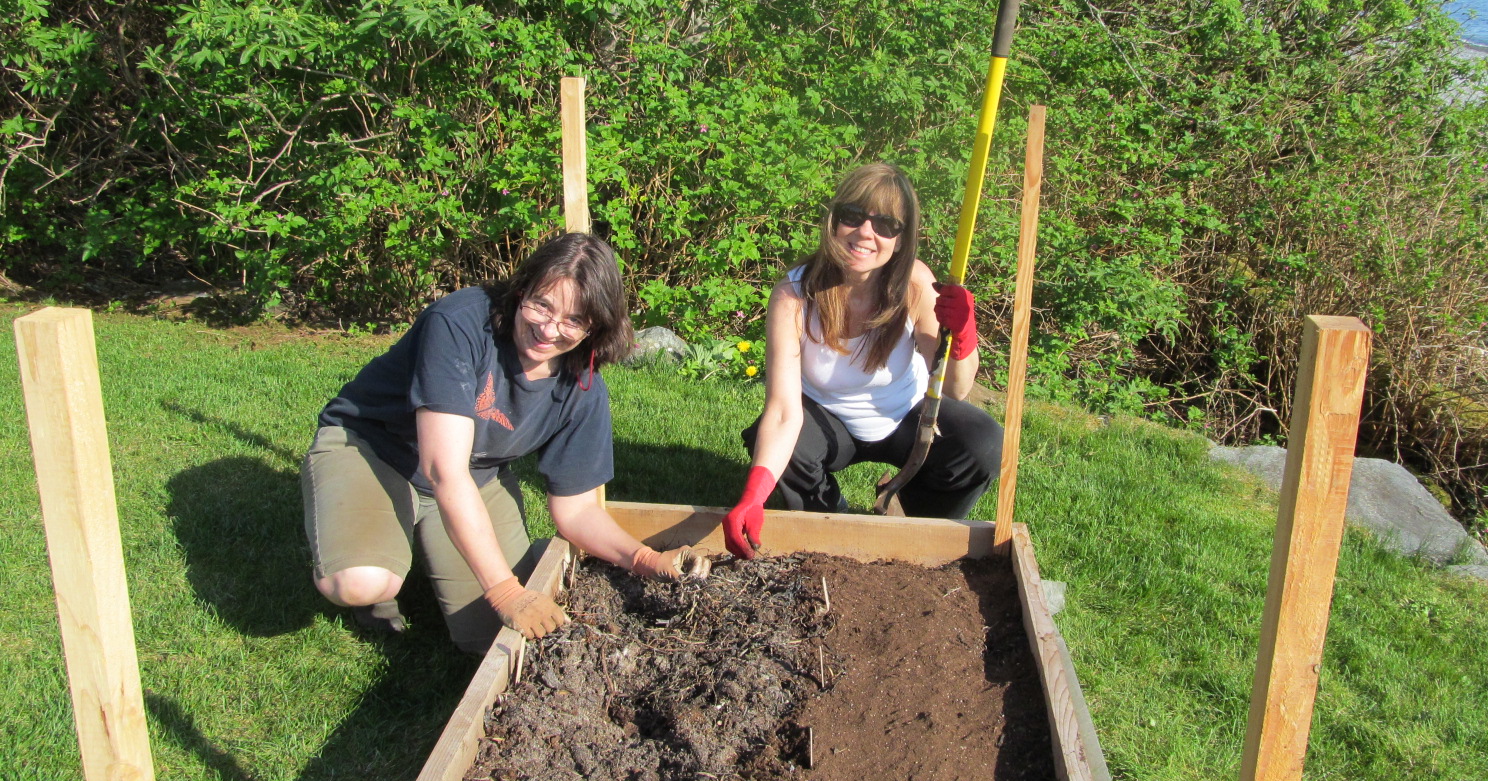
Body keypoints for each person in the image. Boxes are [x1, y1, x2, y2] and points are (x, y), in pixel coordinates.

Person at [303, 232, 708, 652]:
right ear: (520, 291)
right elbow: (443, 470)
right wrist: (504, 591)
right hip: (376, 449)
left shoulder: (582, 388)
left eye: (573, 320)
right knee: (361, 581)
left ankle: (416, 542)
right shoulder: (459, 323)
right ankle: (373, 567)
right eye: (542, 305)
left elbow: (578, 510)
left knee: (490, 639)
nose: (549, 329)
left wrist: (646, 560)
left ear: (596, 327)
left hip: (474, 474)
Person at [722, 163, 1002, 557]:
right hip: (826, 417)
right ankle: (830, 520)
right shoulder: (793, 295)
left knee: (983, 444)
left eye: (886, 224)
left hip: (905, 415)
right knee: (783, 449)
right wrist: (753, 495)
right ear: (834, 221)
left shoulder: (917, 286)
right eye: (853, 216)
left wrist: (964, 335)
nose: (866, 232)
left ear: (901, 240)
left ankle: (917, 515)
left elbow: (956, 389)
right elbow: (784, 411)